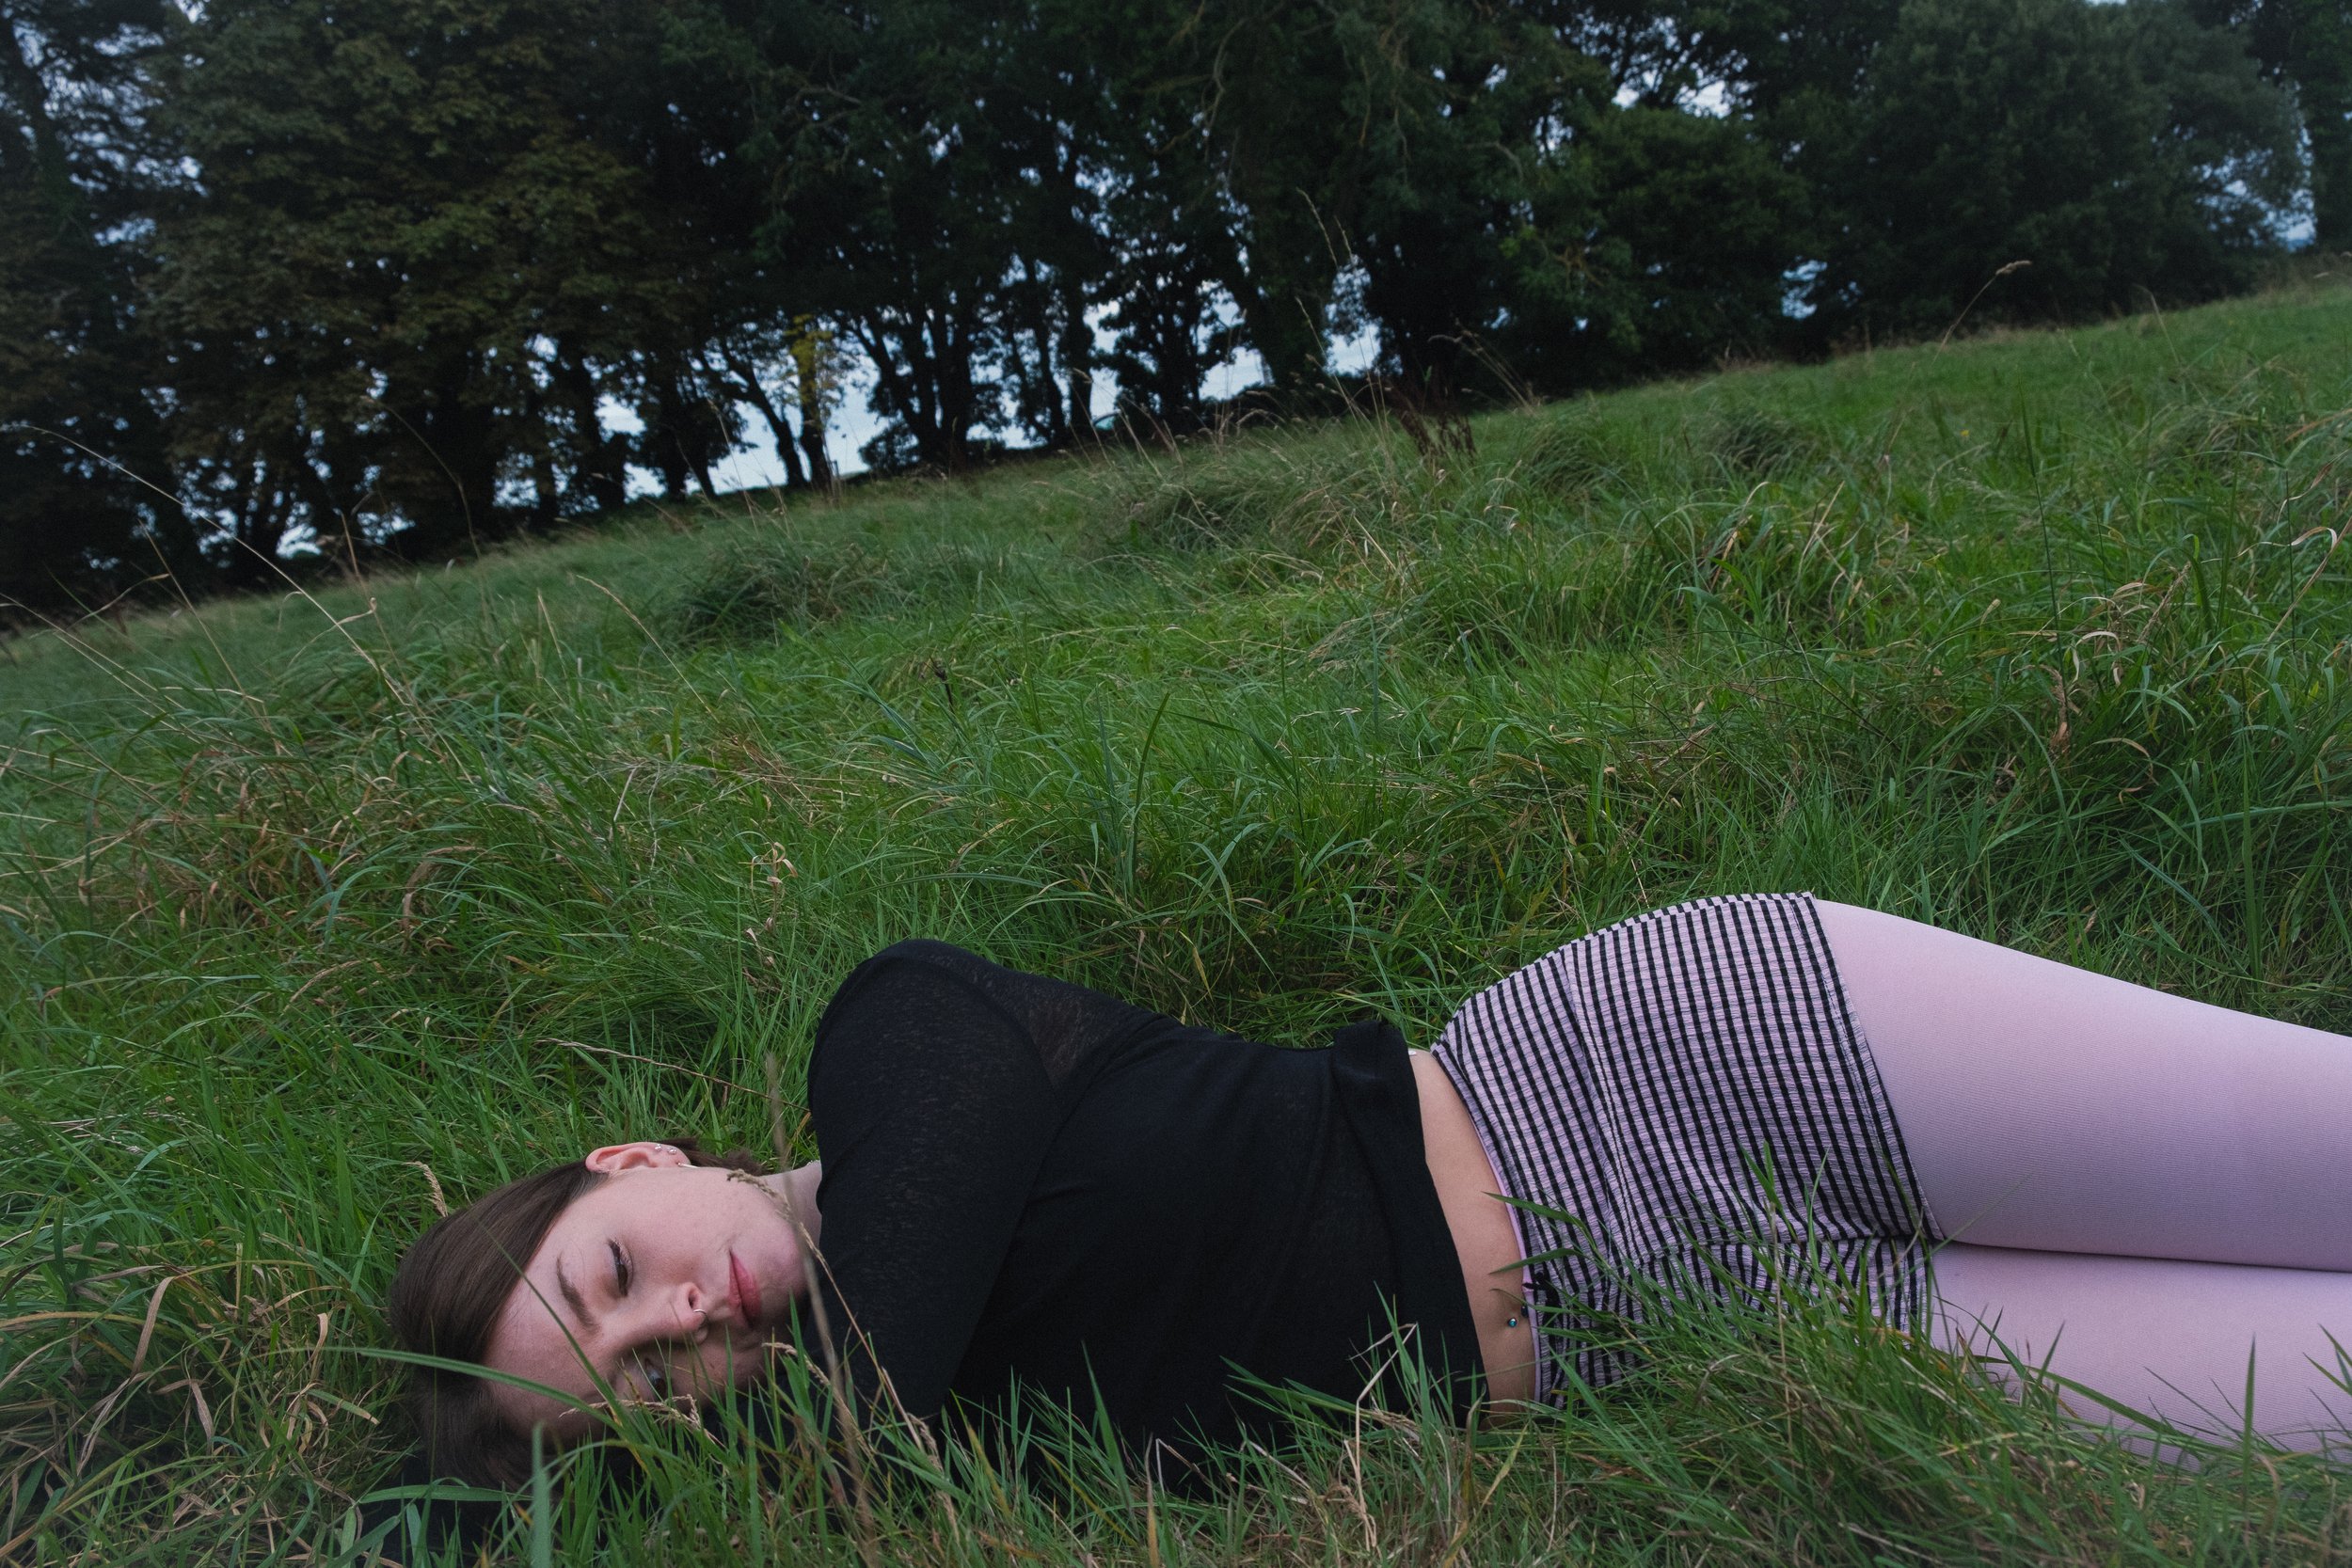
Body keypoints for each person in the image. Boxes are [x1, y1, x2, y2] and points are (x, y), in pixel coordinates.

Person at [387, 894, 2352, 1488]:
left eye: (614, 1272)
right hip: (1716, 1342)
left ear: (631, 1164)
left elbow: (881, 1345)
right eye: (641, 1380)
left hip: (1671, 1068)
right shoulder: (913, 1473)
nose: (681, 1321)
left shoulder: (895, 1037)